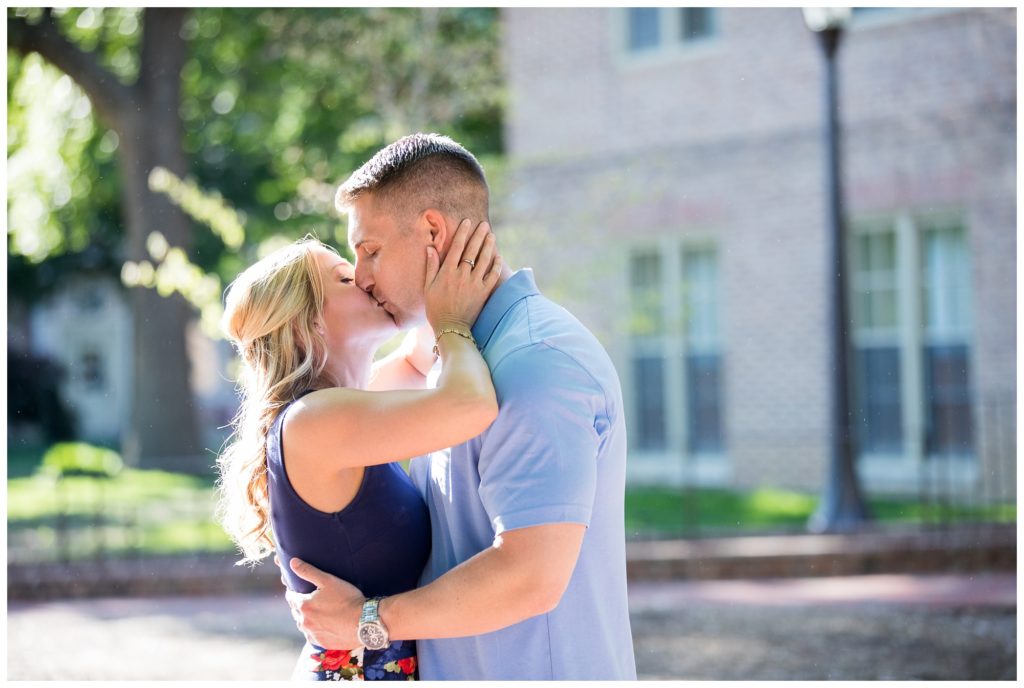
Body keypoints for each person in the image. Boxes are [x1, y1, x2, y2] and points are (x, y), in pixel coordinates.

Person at [288, 133, 637, 680]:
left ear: (433, 232)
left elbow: (530, 576)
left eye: (371, 250)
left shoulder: (536, 363)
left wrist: (366, 621)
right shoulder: (456, 363)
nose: (362, 275)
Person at [215, 220, 503, 680]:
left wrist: (427, 271)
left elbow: (417, 360)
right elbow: (470, 404)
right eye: (347, 279)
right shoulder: (315, 422)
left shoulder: (338, 410)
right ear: (308, 320)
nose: (367, 279)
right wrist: (451, 322)